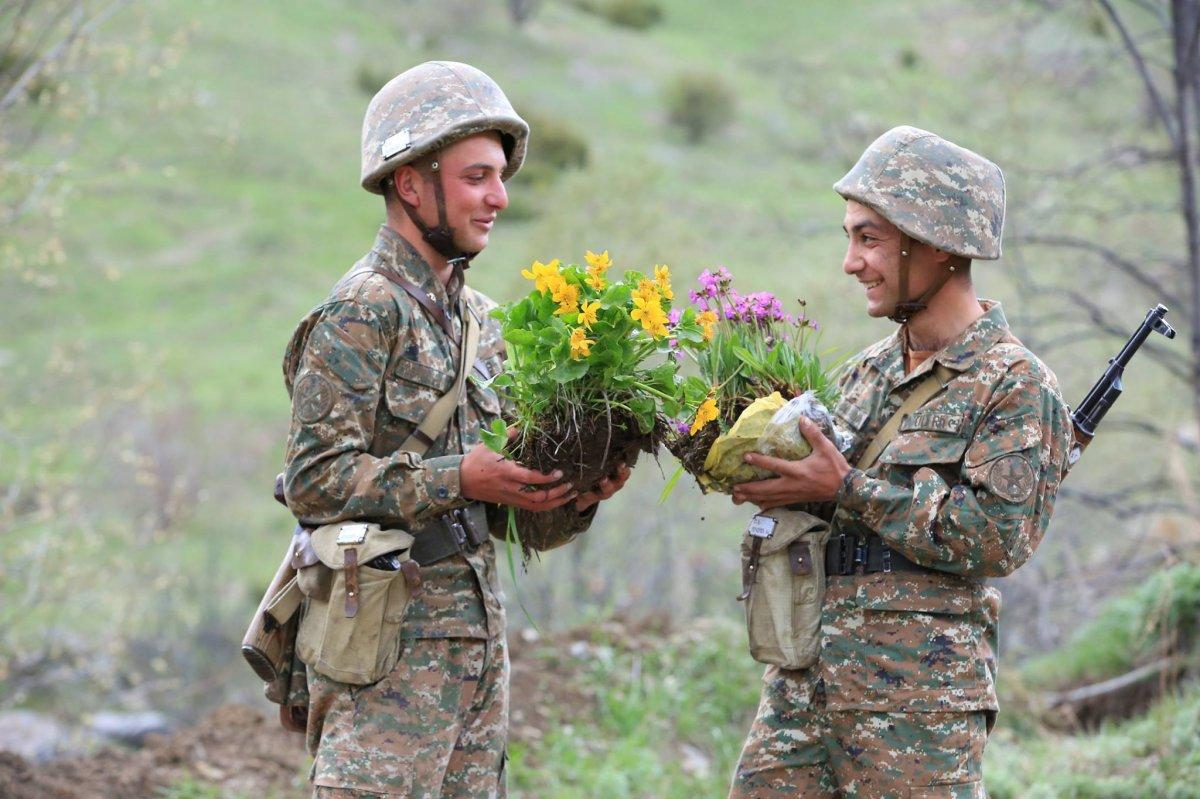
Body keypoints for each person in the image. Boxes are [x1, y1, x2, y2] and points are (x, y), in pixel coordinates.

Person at [281, 61, 630, 798]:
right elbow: (314, 482)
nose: (499, 197)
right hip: (382, 658)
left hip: (474, 656)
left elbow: (508, 522)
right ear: (410, 182)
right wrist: (458, 475)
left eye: (500, 177)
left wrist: (573, 495)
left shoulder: (481, 321)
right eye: (476, 177)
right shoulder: (361, 311)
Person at [726, 126, 1071, 797]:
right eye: (850, 238)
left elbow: (999, 537)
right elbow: (822, 496)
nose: (851, 262)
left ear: (935, 245)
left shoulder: (1014, 383)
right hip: (807, 678)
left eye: (869, 238)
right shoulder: (863, 374)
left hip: (919, 703)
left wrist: (850, 487)